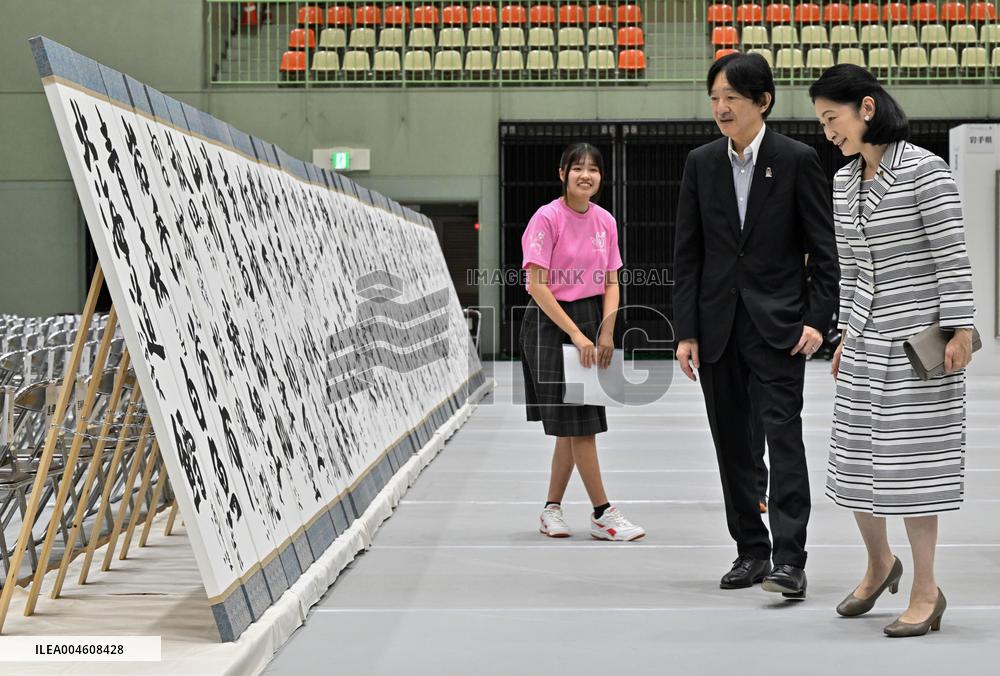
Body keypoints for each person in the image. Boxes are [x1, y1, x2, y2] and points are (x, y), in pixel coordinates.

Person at [811, 64, 976, 637]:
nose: (828, 131)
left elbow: (953, 257)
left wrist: (959, 331)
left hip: (918, 346)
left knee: (912, 469)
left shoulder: (925, 171)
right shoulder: (843, 181)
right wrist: (844, 335)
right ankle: (881, 563)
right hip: (864, 341)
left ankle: (927, 592)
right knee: (857, 463)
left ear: (867, 109)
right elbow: (850, 270)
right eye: (823, 122)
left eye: (833, 118)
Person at [673, 53, 839, 598]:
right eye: (714, 98)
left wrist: (818, 319)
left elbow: (824, 248)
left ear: (763, 101)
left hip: (780, 329)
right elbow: (689, 254)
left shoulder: (797, 160)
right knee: (732, 446)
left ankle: (790, 559)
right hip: (718, 328)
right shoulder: (701, 163)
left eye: (731, 99)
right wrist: (687, 331)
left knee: (784, 440)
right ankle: (751, 550)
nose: (720, 108)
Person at [519, 142, 645, 542]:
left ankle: (551, 509)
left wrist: (606, 330)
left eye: (593, 169)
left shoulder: (605, 221)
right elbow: (536, 285)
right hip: (551, 320)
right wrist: (575, 333)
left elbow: (612, 280)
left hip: (591, 318)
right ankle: (602, 513)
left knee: (573, 424)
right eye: (577, 168)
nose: (585, 175)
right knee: (580, 424)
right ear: (562, 174)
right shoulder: (546, 218)